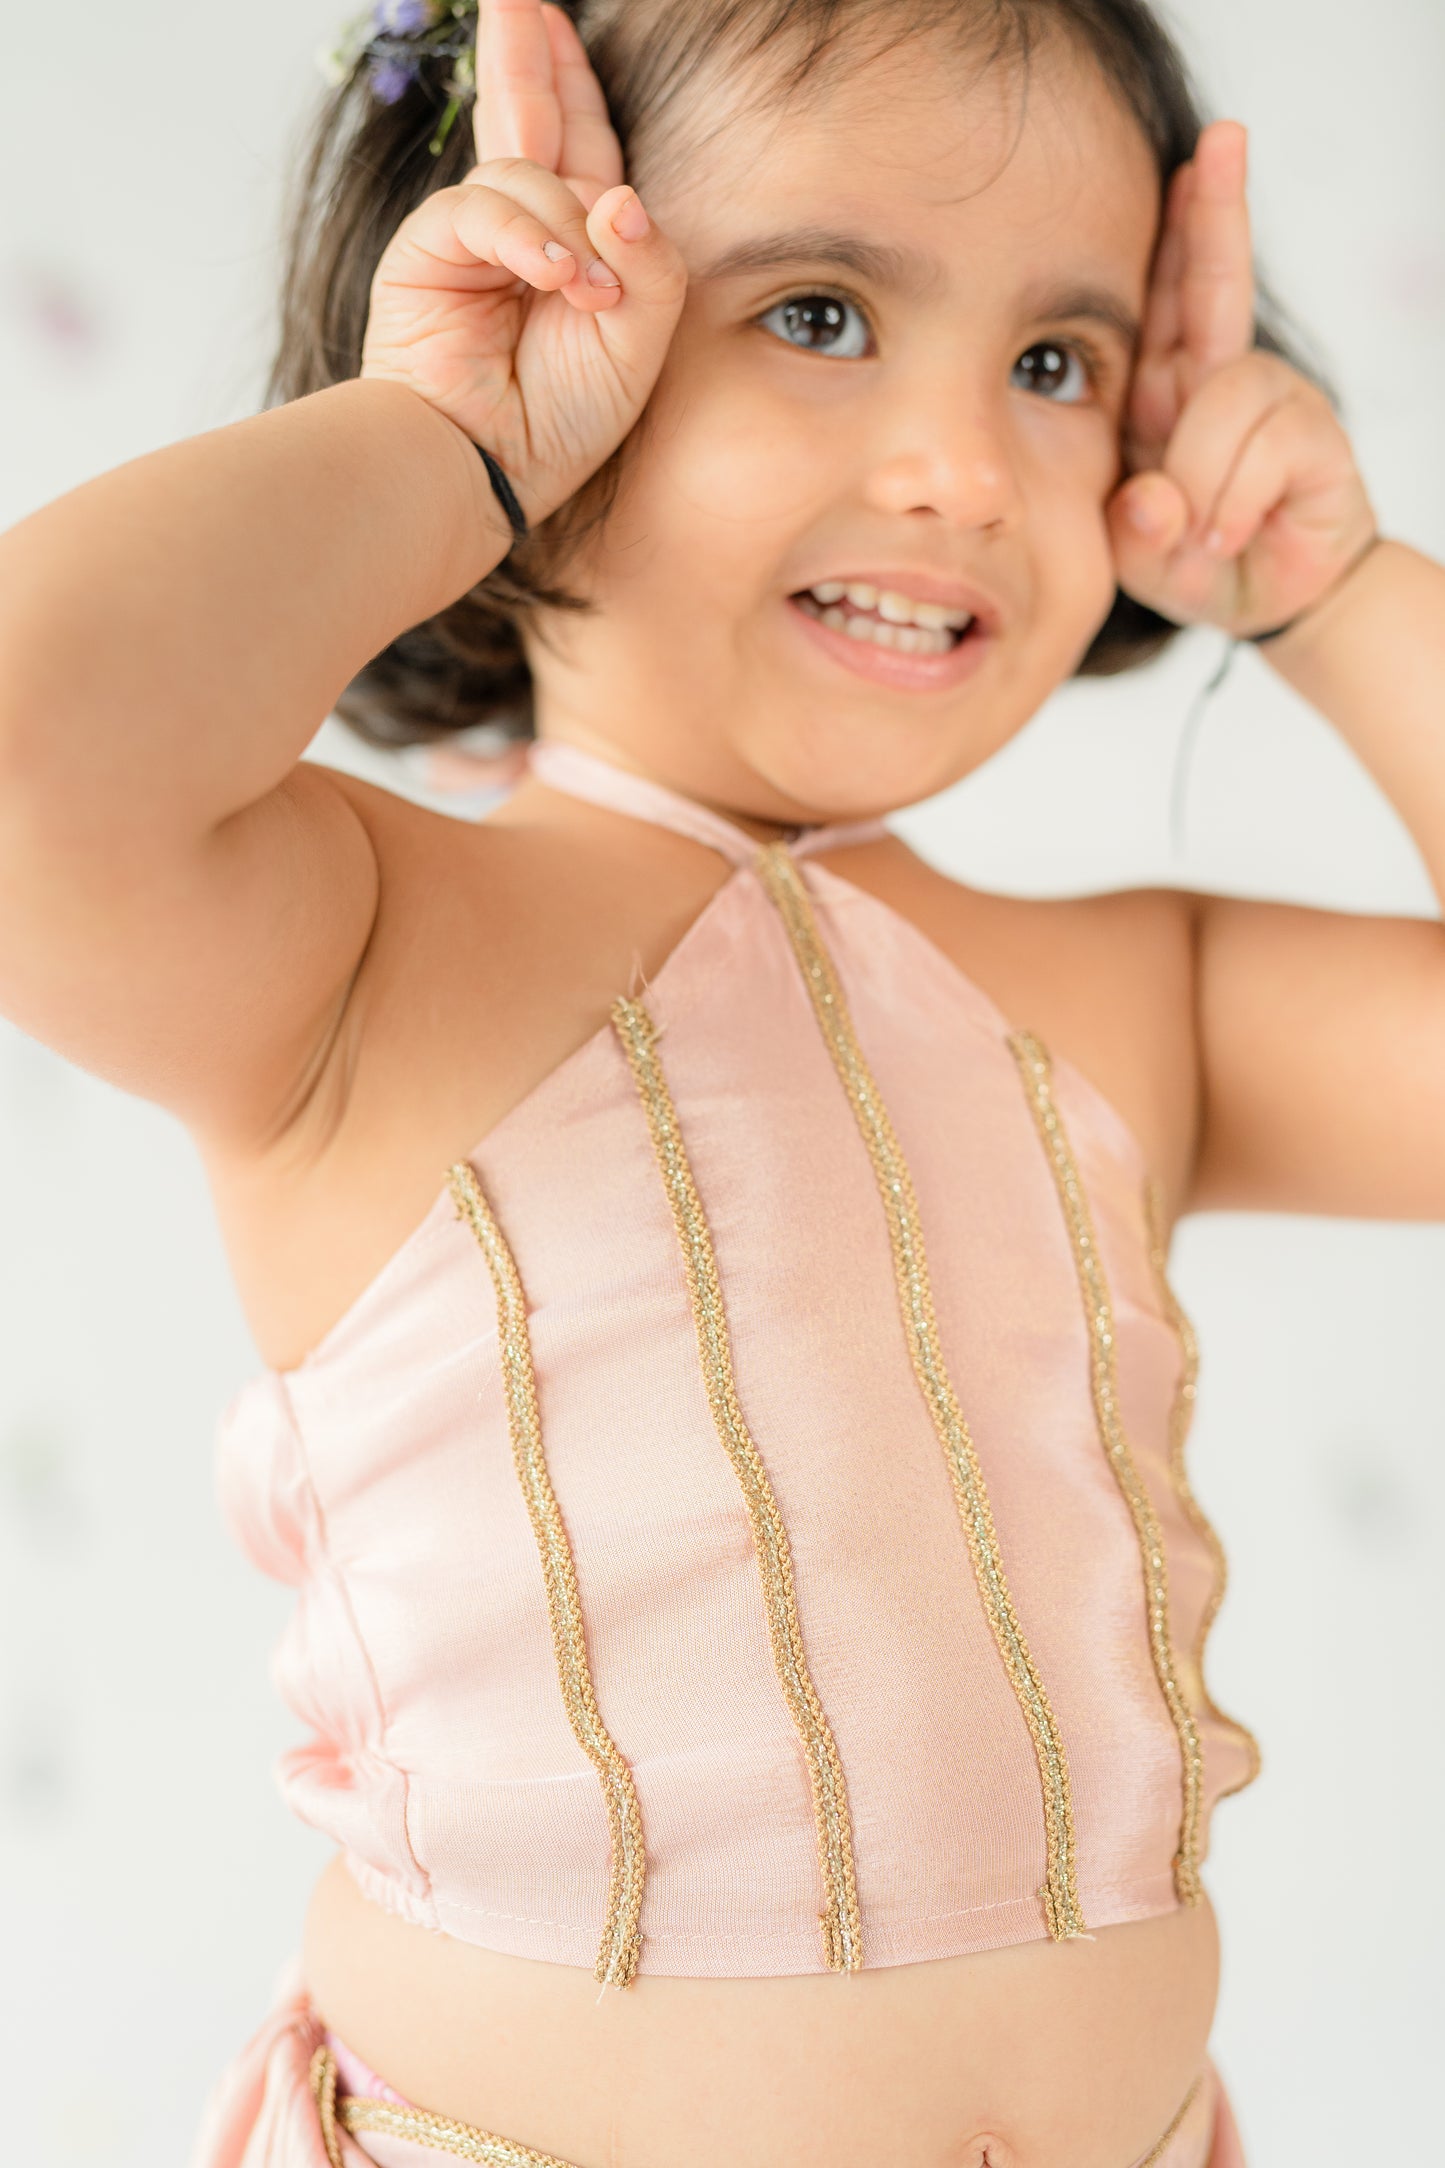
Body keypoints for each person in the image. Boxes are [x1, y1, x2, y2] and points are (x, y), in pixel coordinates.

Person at [0, 1, 1438, 2162]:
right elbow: (32, 748)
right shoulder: (363, 955)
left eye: (1058, 363)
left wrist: (1339, 599)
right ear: (544, 293)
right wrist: (446, 444)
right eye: (824, 311)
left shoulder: (1146, 996)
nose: (963, 463)